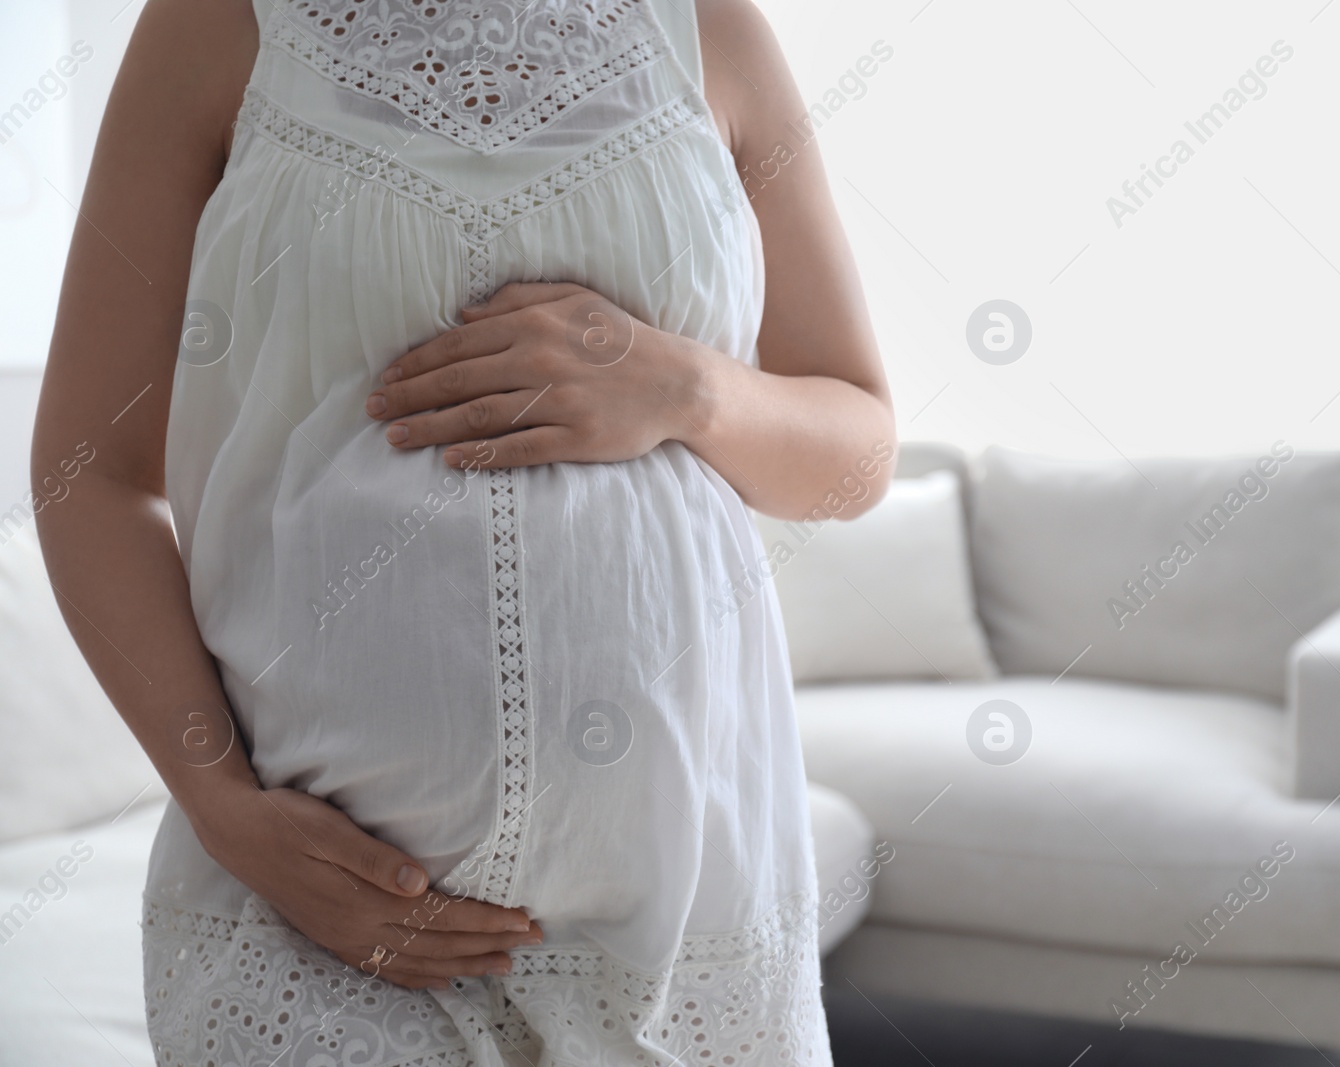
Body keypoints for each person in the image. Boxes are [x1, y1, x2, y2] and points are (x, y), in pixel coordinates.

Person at [32, 0, 893, 1063]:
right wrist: (218, 802)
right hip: (315, 925)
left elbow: (858, 450)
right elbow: (89, 472)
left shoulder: (707, 25)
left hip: (685, 925)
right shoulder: (217, 23)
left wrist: (685, 388)